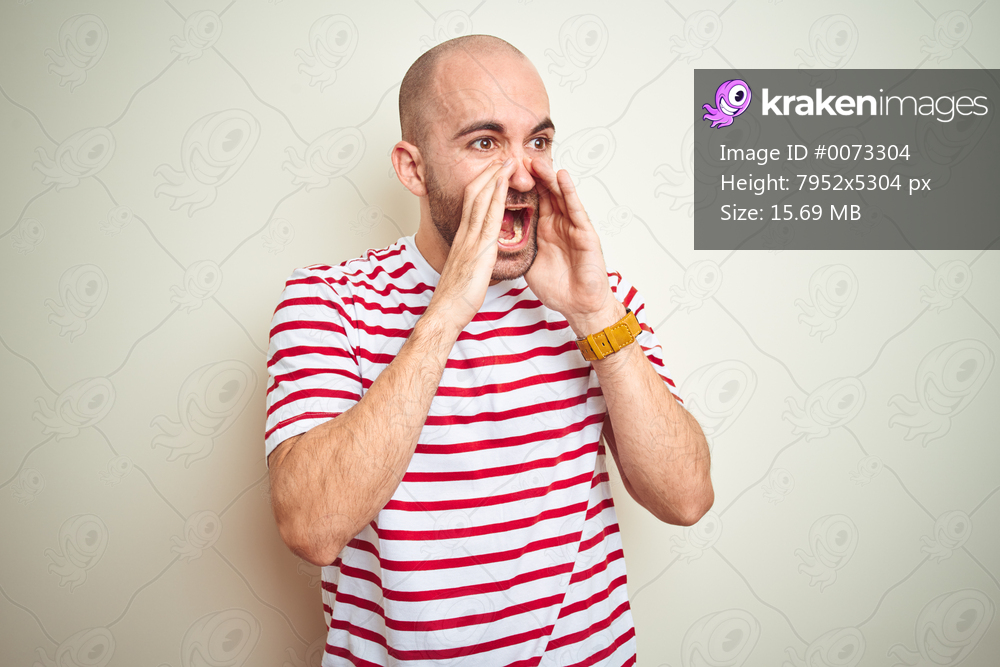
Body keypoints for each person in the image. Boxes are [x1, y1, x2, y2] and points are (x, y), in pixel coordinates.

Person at [265, 34, 713, 666]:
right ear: (413, 168)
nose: (524, 173)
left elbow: (686, 497)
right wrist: (448, 307)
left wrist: (593, 315)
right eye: (485, 143)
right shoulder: (327, 301)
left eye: (538, 141)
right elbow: (311, 527)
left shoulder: (600, 300)